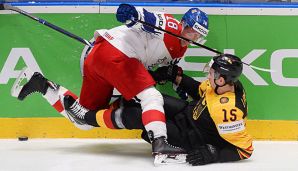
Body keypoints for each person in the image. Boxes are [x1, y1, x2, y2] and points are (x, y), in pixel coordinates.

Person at [13, 3, 209, 156]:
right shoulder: (171, 25)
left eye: (198, 36)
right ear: (183, 23)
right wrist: (131, 13)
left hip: (99, 58)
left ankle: (43, 86)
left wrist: (179, 87)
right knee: (152, 97)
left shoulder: (181, 48)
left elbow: (169, 70)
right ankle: (160, 143)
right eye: (191, 31)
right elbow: (142, 17)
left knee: (85, 120)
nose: (193, 38)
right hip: (117, 55)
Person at [44, 54, 253, 165]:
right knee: (149, 99)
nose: (209, 75)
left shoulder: (229, 110)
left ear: (222, 79)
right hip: (188, 113)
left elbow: (245, 150)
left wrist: (214, 154)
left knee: (137, 116)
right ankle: (102, 111)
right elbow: (201, 92)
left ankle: (87, 118)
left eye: (213, 73)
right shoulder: (224, 85)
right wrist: (176, 77)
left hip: (190, 136)